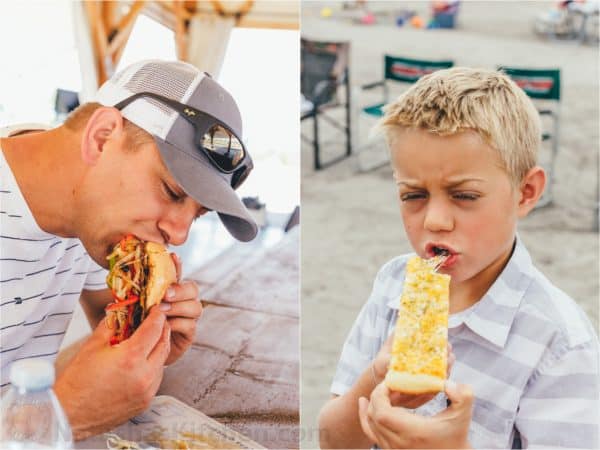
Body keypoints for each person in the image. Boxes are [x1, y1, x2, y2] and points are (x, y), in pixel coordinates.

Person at [318, 67, 599, 449]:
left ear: (526, 193)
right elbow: (332, 441)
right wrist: (374, 380)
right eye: (413, 196)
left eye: (464, 196)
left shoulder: (561, 346)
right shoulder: (392, 284)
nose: (434, 220)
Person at [0, 60, 257, 440]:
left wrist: (146, 343)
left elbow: (98, 335)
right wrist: (64, 417)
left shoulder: (88, 217)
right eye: (171, 192)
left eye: (197, 215)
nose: (180, 233)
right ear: (102, 137)